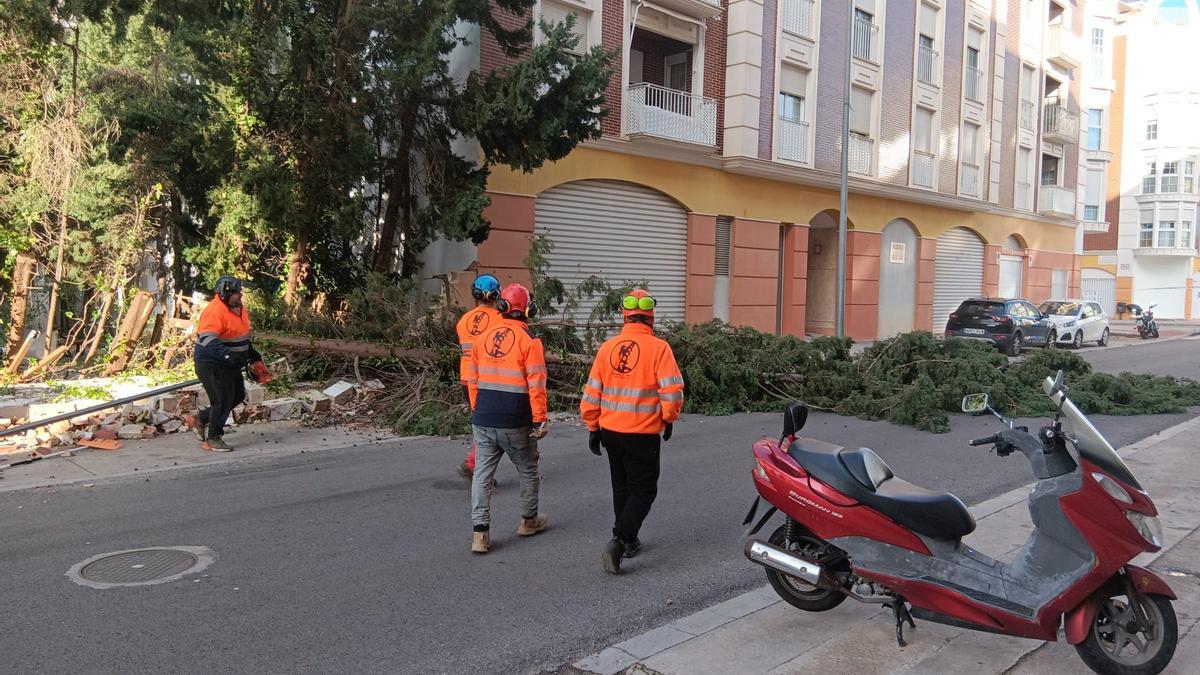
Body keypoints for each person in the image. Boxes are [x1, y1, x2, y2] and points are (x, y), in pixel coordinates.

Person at [580, 289, 684, 574]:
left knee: (622, 486)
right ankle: (620, 540)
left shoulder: (607, 348)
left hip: (610, 430)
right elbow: (672, 391)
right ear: (651, 318)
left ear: (624, 317)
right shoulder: (659, 349)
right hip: (642, 432)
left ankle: (629, 539)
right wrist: (669, 418)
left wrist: (592, 426)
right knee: (644, 490)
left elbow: (592, 392)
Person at [465, 283, 549, 554]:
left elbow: (473, 381)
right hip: (516, 420)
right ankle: (528, 520)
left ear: (501, 307)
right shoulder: (530, 341)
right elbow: (536, 385)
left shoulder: (483, 339)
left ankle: (480, 534)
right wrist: (539, 420)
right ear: (528, 310)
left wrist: (479, 409)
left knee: (482, 474)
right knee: (527, 469)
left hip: (484, 417)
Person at [185, 276, 261, 452]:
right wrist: (228, 357)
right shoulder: (215, 311)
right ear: (225, 293)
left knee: (237, 395)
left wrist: (252, 354)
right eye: (237, 292)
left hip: (230, 362)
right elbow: (208, 339)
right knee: (222, 400)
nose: (240, 295)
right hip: (212, 362)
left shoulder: (239, 309)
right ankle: (213, 438)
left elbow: (240, 336)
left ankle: (200, 419)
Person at [456, 274, 502, 480]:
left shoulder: (463, 320)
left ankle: (474, 464)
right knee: (489, 427)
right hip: (486, 378)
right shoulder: (500, 319)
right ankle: (475, 466)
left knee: (482, 423)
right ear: (497, 294)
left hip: (466, 377)